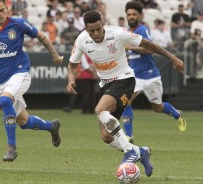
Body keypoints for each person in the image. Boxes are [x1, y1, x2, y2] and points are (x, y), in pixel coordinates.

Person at [66, 10, 184, 177]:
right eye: (92, 30)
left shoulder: (118, 33)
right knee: (106, 137)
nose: (96, 33)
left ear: (103, 23)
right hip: (105, 85)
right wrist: (71, 80)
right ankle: (140, 151)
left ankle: (130, 152)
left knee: (100, 110)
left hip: (125, 80)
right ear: (86, 29)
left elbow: (147, 44)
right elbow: (72, 65)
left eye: (99, 28)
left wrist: (172, 58)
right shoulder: (82, 40)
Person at [0, 0, 63, 162]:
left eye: (1, 10)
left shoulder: (18, 24)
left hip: (20, 73)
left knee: (5, 100)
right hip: (1, 80)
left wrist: (54, 55)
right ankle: (51, 126)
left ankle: (11, 148)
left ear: (7, 8)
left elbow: (41, 36)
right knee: (24, 122)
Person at [121, 1, 187, 144]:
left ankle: (177, 114)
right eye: (129, 14)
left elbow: (148, 49)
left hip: (150, 75)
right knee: (125, 102)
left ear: (140, 15)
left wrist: (130, 47)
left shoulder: (142, 29)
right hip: (134, 76)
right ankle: (129, 136)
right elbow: (130, 53)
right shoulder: (127, 32)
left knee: (157, 108)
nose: (131, 17)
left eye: (134, 14)